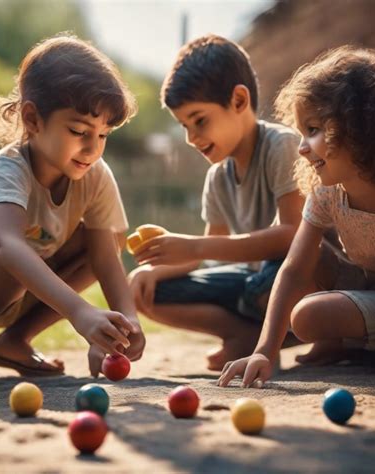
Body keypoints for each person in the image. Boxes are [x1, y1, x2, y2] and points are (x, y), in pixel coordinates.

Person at [0, 34, 145, 389]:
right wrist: (80, 313)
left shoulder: (95, 178)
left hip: (23, 291)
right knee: (12, 245)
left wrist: (126, 323)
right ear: (32, 118)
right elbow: (8, 248)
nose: (93, 148)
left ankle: (14, 341)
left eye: (104, 134)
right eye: (78, 130)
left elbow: (106, 259)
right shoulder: (8, 169)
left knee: (101, 240)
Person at [128, 35, 303, 370]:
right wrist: (156, 268)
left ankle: (318, 336)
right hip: (252, 285)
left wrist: (195, 247)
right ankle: (243, 335)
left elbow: (293, 236)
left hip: (295, 279)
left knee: (269, 281)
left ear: (238, 100)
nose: (191, 138)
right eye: (184, 125)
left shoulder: (281, 147)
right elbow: (212, 252)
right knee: (147, 292)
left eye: (200, 120)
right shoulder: (218, 177)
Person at [219, 46, 375, 387]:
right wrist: (264, 350)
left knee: (312, 313)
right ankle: (362, 346)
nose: (301, 147)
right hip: (372, 288)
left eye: (312, 129)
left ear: (359, 125)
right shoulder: (327, 194)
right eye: (300, 132)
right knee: (307, 315)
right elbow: (294, 270)